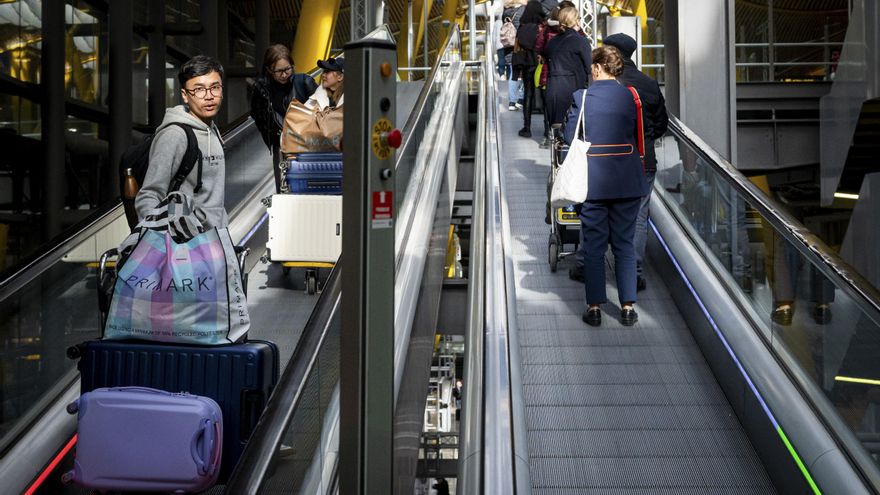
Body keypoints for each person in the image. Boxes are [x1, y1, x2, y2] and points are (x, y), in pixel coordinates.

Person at [563, 46, 649, 327]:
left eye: (591, 67)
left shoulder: (583, 97)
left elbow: (569, 135)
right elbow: (639, 132)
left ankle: (595, 307)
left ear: (598, 68)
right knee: (624, 244)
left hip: (593, 181)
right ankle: (627, 307)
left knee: (595, 247)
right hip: (627, 179)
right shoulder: (631, 96)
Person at [602, 33, 668, 291]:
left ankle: (589, 262)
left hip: (609, 160)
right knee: (639, 217)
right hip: (643, 161)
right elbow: (662, 123)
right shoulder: (649, 84)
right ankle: (634, 271)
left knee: (601, 210)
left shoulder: (606, 82)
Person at [136, 55, 228, 229]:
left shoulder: (212, 130)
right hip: (186, 245)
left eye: (215, 88)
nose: (209, 96)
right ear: (185, 95)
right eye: (199, 90)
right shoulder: (175, 135)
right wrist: (165, 240)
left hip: (214, 239)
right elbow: (149, 195)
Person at [250, 44, 318, 192]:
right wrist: (273, 137)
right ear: (269, 70)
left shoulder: (304, 83)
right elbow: (257, 114)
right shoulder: (262, 89)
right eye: (279, 71)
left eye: (288, 69)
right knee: (284, 190)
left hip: (308, 145)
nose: (284, 74)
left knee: (310, 189)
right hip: (281, 147)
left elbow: (322, 113)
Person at [543, 6, 591, 137]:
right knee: (575, 133)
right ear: (576, 21)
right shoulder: (581, 41)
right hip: (573, 92)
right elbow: (589, 68)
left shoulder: (552, 43)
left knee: (557, 133)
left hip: (553, 91)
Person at [511, 0, 545, 138]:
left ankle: (527, 127)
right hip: (541, 65)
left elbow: (517, 49)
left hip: (527, 65)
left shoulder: (522, 27)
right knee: (544, 95)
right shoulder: (542, 28)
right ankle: (548, 128)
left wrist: (515, 71)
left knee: (528, 94)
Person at [502, 0, 527, 110]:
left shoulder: (506, 11)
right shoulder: (522, 10)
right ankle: (521, 99)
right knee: (525, 73)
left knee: (513, 74)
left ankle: (512, 102)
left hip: (508, 46)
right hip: (520, 46)